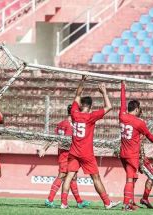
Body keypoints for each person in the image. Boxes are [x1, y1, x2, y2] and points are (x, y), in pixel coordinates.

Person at [60, 76, 120, 209]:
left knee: (69, 176)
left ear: (81, 105)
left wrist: (83, 80)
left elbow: (77, 94)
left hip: (74, 152)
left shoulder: (74, 113)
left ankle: (63, 203)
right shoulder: (91, 116)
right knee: (96, 178)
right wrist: (104, 92)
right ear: (91, 106)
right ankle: (107, 203)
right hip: (86, 153)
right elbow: (109, 107)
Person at [119, 81, 153, 211]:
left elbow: (122, 102)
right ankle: (127, 204)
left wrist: (122, 87)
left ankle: (130, 202)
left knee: (132, 178)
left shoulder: (122, 115)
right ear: (137, 109)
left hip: (123, 153)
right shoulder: (139, 123)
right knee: (130, 179)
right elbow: (149, 135)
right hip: (133, 155)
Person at [39, 105, 90, 208]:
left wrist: (44, 148)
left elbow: (53, 138)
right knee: (62, 175)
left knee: (73, 177)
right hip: (66, 155)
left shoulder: (61, 124)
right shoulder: (69, 126)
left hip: (66, 155)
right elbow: (66, 143)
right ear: (72, 113)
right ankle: (49, 199)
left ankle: (79, 201)